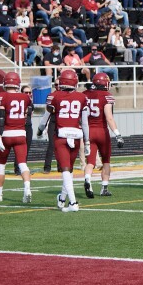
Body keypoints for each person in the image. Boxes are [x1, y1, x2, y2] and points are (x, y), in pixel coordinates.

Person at [45, 69, 90, 212]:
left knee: (65, 169)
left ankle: (73, 203)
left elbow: (45, 118)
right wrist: (87, 141)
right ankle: (62, 199)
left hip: (61, 135)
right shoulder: (82, 97)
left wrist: (40, 130)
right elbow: (84, 123)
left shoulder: (54, 96)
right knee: (69, 170)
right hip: (76, 135)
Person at [0, 73, 33, 203]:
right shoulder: (25, 97)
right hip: (20, 133)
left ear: (5, 83)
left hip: (7, 134)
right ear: (17, 84)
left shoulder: (2, 96)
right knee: (23, 164)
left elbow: (1, 117)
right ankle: (27, 189)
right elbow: (28, 111)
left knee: (1, 164)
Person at [82, 73, 123, 198]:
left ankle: (88, 179)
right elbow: (109, 117)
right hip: (101, 131)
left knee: (90, 161)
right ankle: (104, 188)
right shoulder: (106, 96)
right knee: (106, 160)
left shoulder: (84, 94)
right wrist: (117, 134)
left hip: (88, 131)